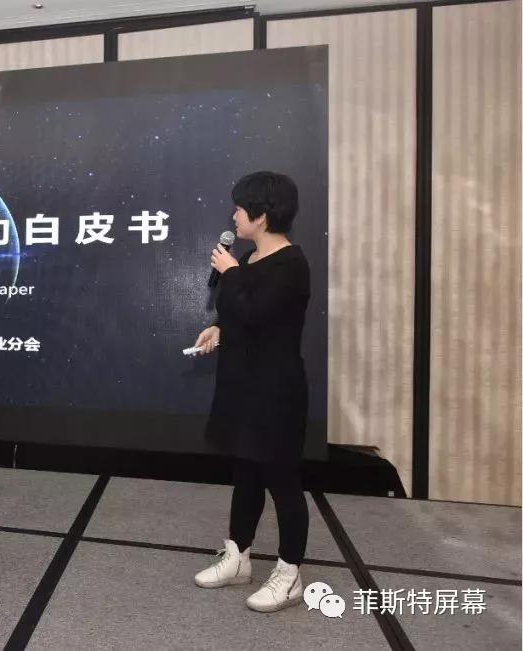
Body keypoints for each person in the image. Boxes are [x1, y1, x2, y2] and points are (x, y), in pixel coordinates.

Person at [190, 171, 311, 613]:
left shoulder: (291, 264)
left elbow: (261, 313)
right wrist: (220, 329)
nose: (234, 216)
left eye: (240, 209)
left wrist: (233, 273)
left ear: (262, 215)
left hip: (275, 391)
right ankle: (238, 557)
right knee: (246, 476)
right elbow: (245, 316)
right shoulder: (248, 259)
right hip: (241, 385)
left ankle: (290, 574)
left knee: (283, 482)